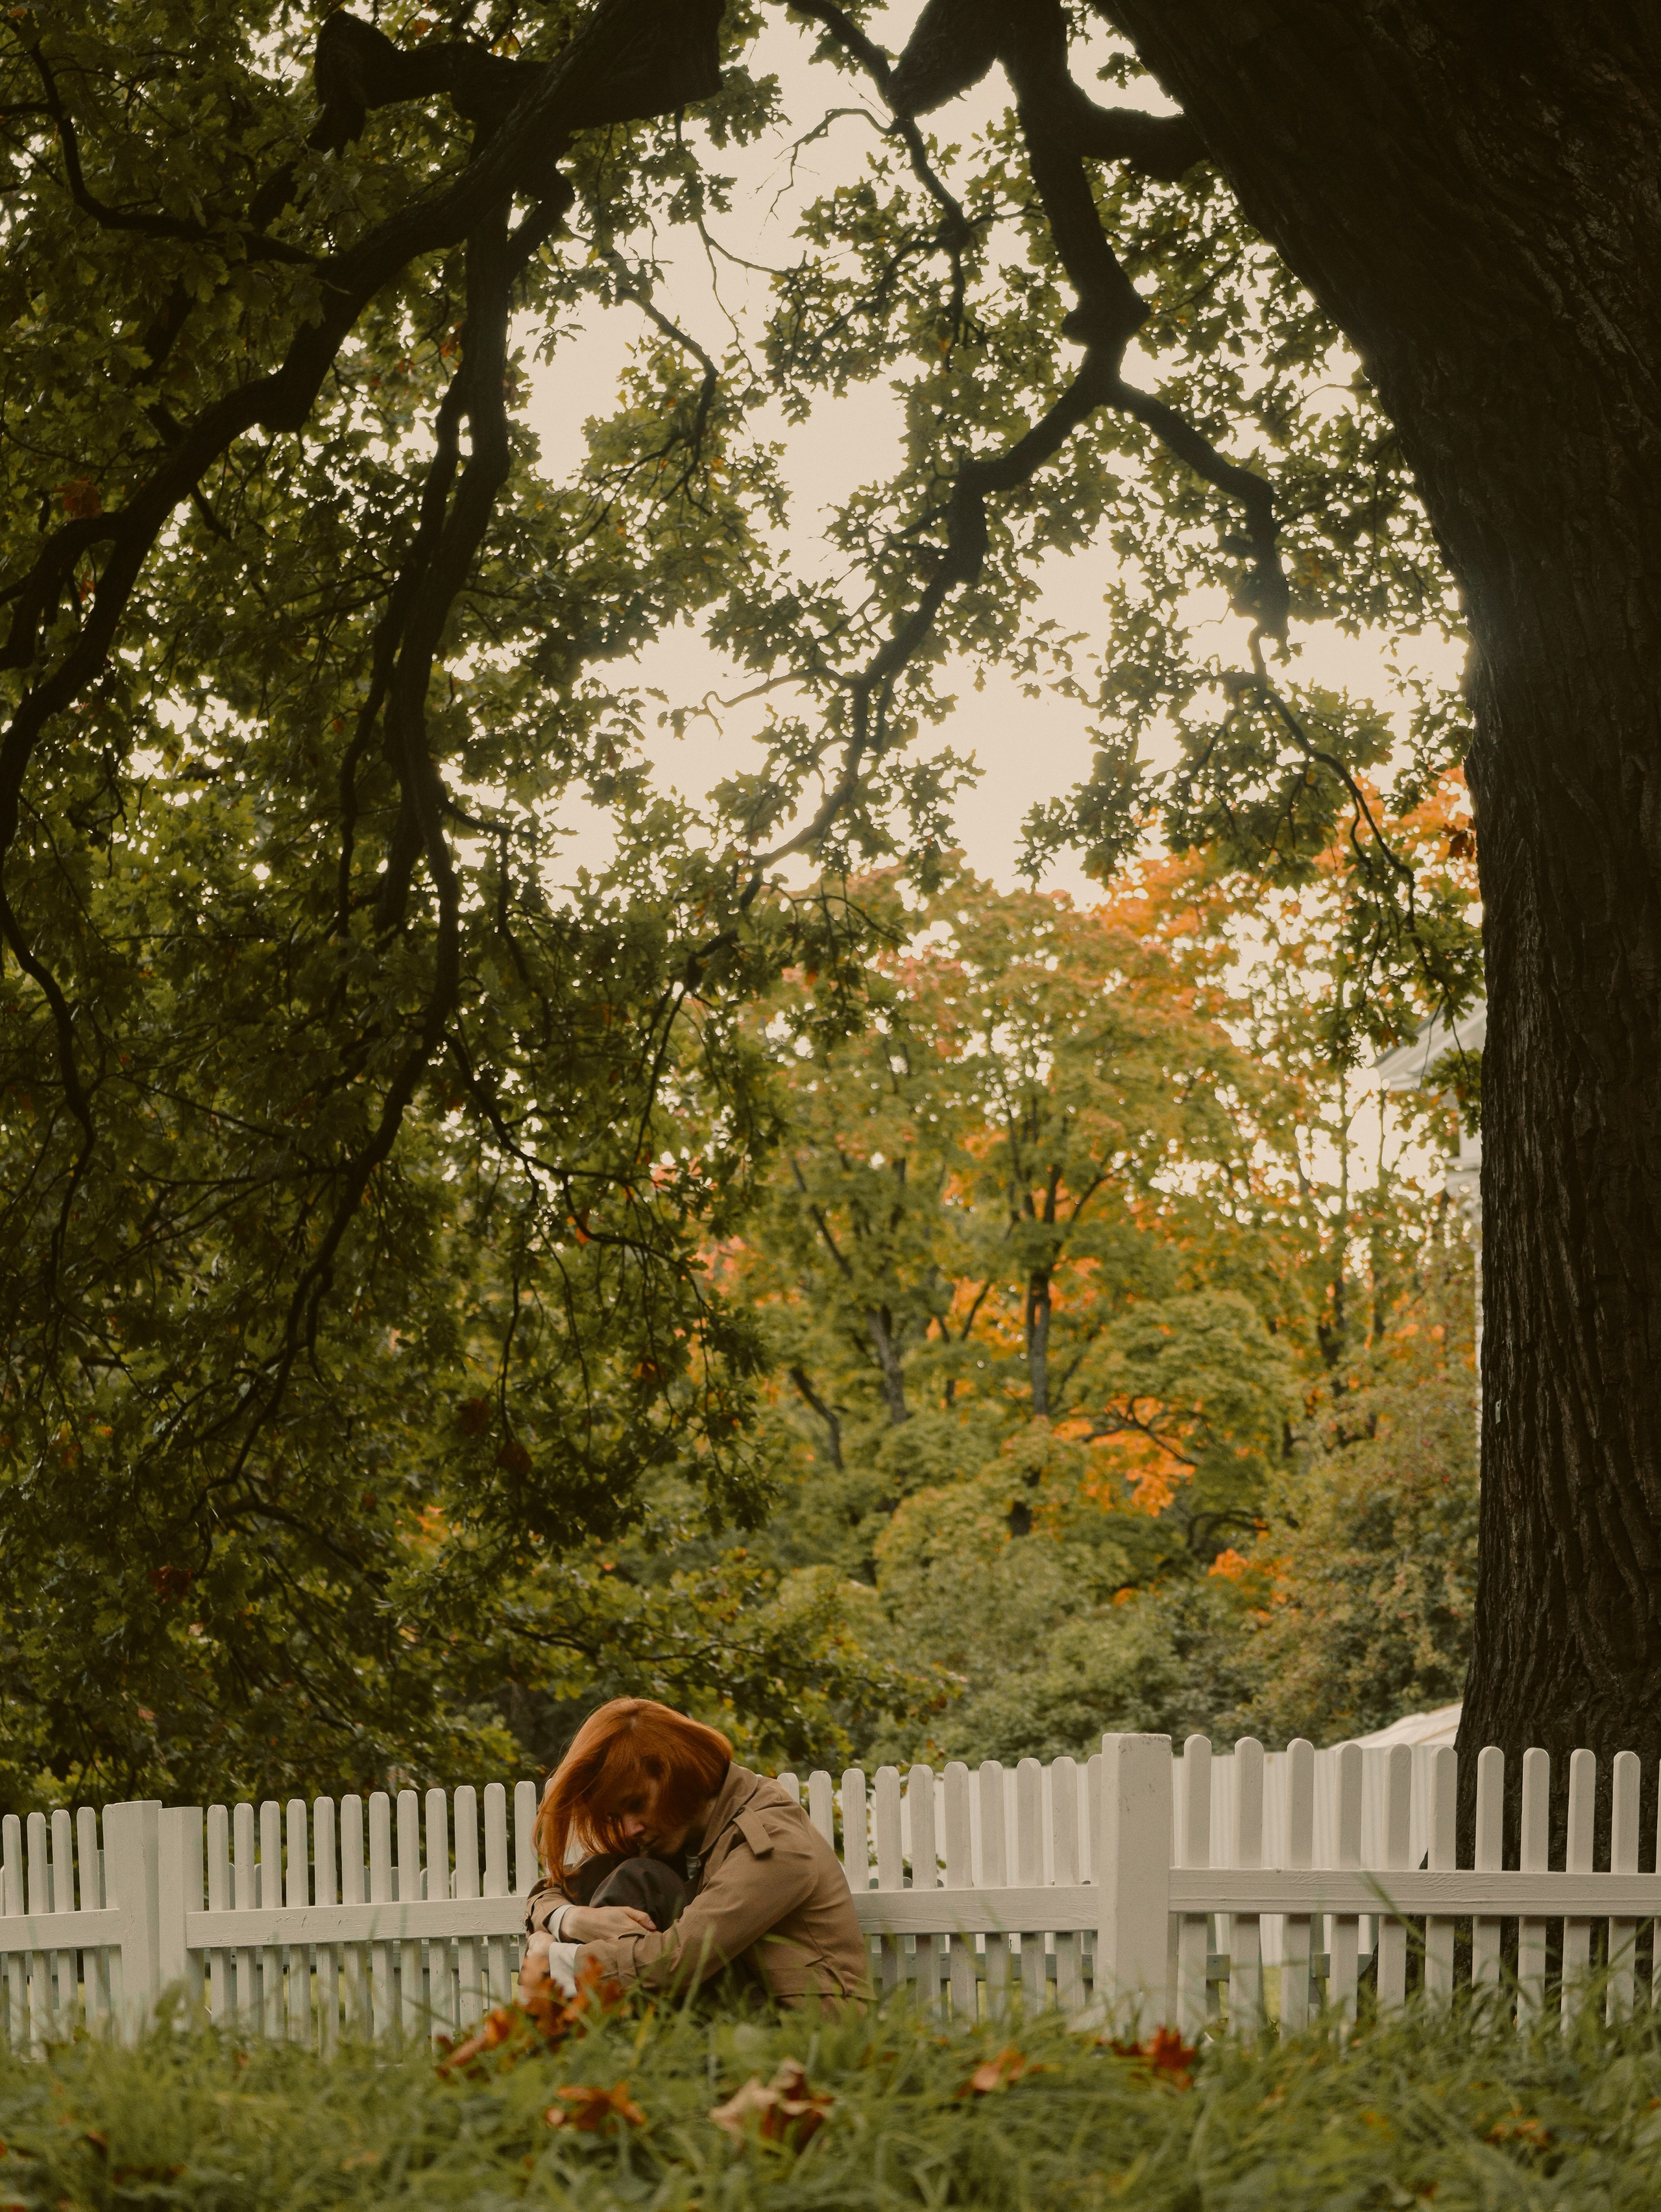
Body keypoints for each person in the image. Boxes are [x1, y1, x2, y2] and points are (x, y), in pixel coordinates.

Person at [520, 1697, 867, 2010]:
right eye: (616, 1817)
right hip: (737, 2026)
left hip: (805, 2038)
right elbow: (550, 1890)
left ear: (674, 1770)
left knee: (643, 1880)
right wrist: (571, 1919)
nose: (629, 1829)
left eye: (636, 1804)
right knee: (636, 1875)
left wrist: (557, 1959)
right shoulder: (676, 1830)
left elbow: (681, 1960)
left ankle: (566, 2053)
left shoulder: (774, 1836)